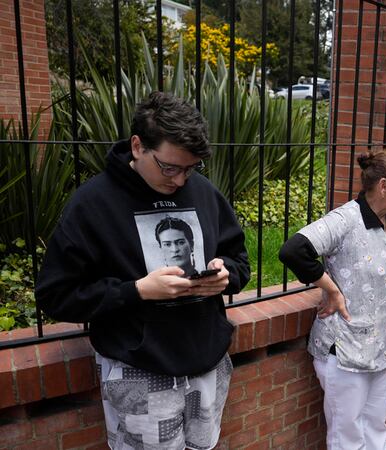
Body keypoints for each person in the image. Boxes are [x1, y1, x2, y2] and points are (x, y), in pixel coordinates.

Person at [35, 92, 250, 450]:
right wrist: (136, 291)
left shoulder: (205, 193)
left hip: (206, 365)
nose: (180, 180)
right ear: (137, 146)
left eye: (190, 168)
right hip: (138, 371)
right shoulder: (92, 204)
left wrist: (225, 275)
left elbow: (239, 261)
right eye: (170, 167)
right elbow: (56, 295)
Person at [279, 150, 386, 450]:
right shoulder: (345, 219)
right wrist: (331, 289)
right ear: (384, 185)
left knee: (375, 426)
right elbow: (293, 251)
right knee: (346, 435)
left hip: (383, 345)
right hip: (345, 349)